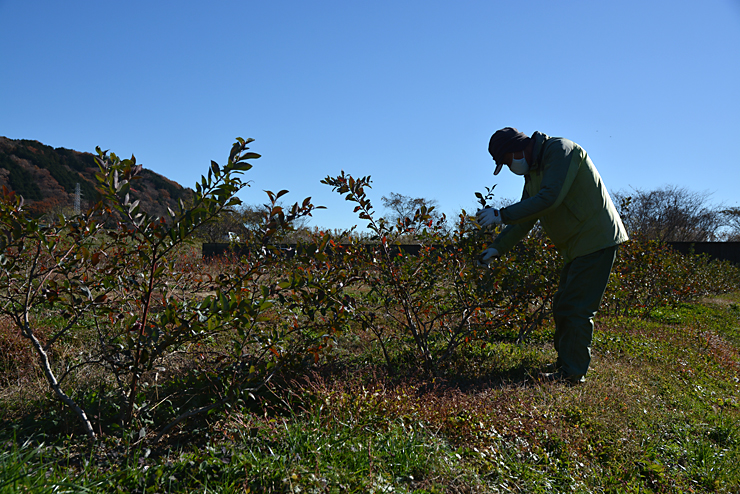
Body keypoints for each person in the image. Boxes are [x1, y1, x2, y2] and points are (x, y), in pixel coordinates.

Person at [476, 127, 628, 384]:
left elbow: (550, 198)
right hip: (576, 246)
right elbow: (526, 219)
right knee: (563, 305)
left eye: (506, 161)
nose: (510, 167)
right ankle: (566, 363)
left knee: (576, 308)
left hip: (595, 238)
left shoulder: (560, 151)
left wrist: (501, 214)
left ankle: (572, 374)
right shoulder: (534, 172)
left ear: (516, 149)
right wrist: (497, 248)